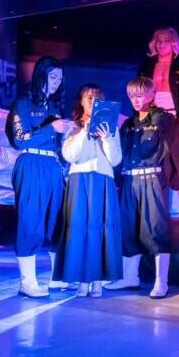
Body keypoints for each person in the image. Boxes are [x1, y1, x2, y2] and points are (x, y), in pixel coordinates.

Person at [104, 77, 177, 298]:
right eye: (131, 96)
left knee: (156, 228)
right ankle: (130, 277)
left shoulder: (162, 118)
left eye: (139, 95)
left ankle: (161, 281)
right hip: (129, 180)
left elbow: (166, 135)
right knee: (127, 228)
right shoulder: (128, 124)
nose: (135, 100)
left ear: (152, 94)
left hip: (152, 178)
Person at [5, 56, 72, 298]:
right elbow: (20, 140)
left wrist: (67, 137)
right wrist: (51, 128)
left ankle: (56, 278)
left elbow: (58, 145)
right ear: (41, 75)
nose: (56, 82)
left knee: (57, 222)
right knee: (30, 221)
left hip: (53, 166)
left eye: (60, 78)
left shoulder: (55, 107)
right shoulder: (22, 104)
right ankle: (27, 282)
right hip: (31, 164)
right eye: (52, 76)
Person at [52, 84, 123, 298]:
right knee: (79, 228)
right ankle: (82, 280)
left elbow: (115, 160)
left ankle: (97, 280)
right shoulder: (73, 126)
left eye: (97, 98)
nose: (92, 101)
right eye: (88, 97)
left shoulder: (111, 128)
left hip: (103, 180)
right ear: (81, 101)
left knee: (99, 229)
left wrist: (107, 139)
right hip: (79, 179)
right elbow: (70, 155)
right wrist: (84, 131)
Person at [138, 27, 179, 217]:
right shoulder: (146, 67)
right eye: (158, 40)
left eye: (165, 40)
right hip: (151, 119)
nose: (161, 44)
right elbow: (138, 92)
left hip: (174, 119)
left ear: (173, 43)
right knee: (153, 163)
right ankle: (157, 212)